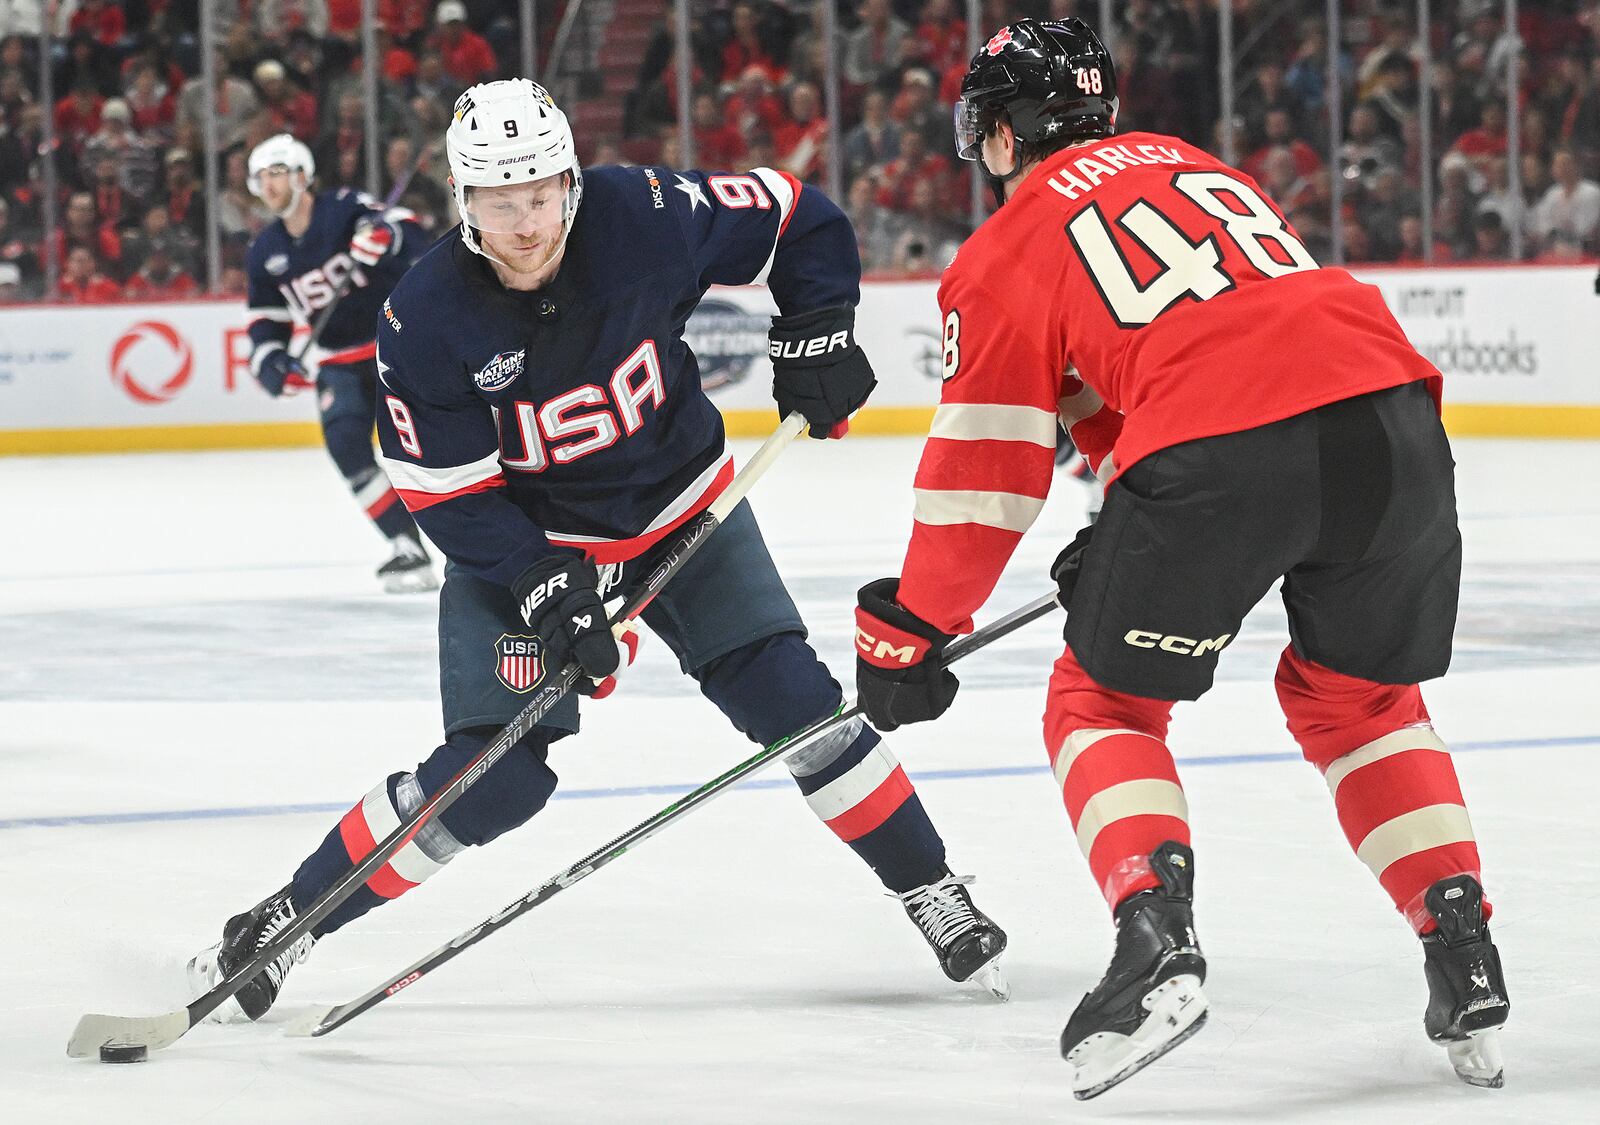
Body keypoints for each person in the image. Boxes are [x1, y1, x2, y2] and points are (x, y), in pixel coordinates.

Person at [188, 79, 1007, 1024]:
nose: (526, 222)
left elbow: (798, 216)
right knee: (496, 777)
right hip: (529, 542)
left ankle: (929, 887)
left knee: (799, 704)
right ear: (463, 203)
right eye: (500, 202)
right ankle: (289, 917)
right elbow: (443, 491)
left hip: (683, 508)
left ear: (570, 181)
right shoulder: (425, 314)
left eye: (539, 193)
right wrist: (541, 583)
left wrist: (815, 331)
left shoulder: (642, 213)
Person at [851, 18, 1509, 1099]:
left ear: (1005, 132)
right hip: (1390, 417)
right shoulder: (1198, 166)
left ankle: (1155, 940)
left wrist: (915, 624)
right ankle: (1460, 946)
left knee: (1101, 707)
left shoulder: (1008, 242)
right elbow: (1221, 338)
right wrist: (1129, 512)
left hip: (1222, 454)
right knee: (1363, 704)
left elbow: (987, 471)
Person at [241, 133, 438, 592]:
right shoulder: (264, 252)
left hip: (398, 344)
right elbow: (265, 322)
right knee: (345, 443)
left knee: (435, 443)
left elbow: (408, 228)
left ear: (303, 176)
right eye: (260, 177)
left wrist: (385, 238)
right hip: (339, 360)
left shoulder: (343, 207)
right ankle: (406, 545)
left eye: (277, 173)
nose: (269, 185)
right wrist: (271, 361)